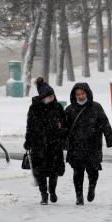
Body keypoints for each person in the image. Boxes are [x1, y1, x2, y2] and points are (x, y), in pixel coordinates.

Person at [65, 82, 112, 206]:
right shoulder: (69, 110)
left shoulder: (96, 107)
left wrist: (110, 139)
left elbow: (105, 124)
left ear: (87, 94)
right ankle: (79, 196)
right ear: (74, 96)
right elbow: (64, 129)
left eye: (83, 93)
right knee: (78, 172)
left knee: (93, 171)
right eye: (78, 94)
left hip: (93, 146)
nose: (81, 96)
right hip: (76, 146)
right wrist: (62, 143)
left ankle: (91, 188)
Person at [24, 77, 67, 205]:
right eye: (49, 96)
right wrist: (28, 141)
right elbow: (29, 126)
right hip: (39, 145)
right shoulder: (34, 109)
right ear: (42, 97)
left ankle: (52, 191)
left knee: (54, 171)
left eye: (52, 95)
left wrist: (62, 130)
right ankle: (44, 195)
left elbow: (64, 124)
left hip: (54, 144)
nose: (51, 98)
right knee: (40, 172)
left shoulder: (58, 107)